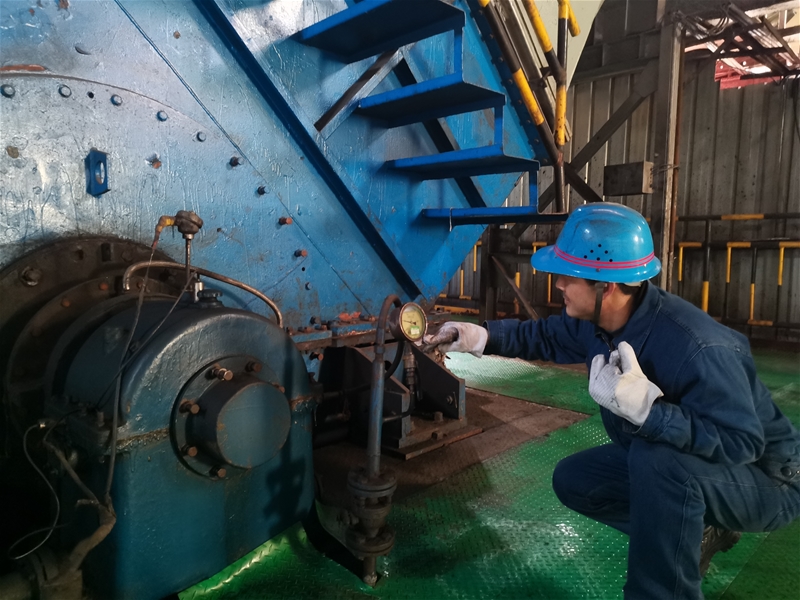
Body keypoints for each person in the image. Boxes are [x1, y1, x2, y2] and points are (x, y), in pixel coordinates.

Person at [424, 202, 800, 600]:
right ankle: (698, 526)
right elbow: (547, 336)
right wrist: (479, 337)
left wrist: (653, 415)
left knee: (659, 460)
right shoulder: (604, 321)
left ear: (607, 286)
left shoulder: (698, 347)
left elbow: (743, 443)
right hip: (701, 468)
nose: (558, 284)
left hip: (768, 481)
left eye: (569, 276)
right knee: (577, 481)